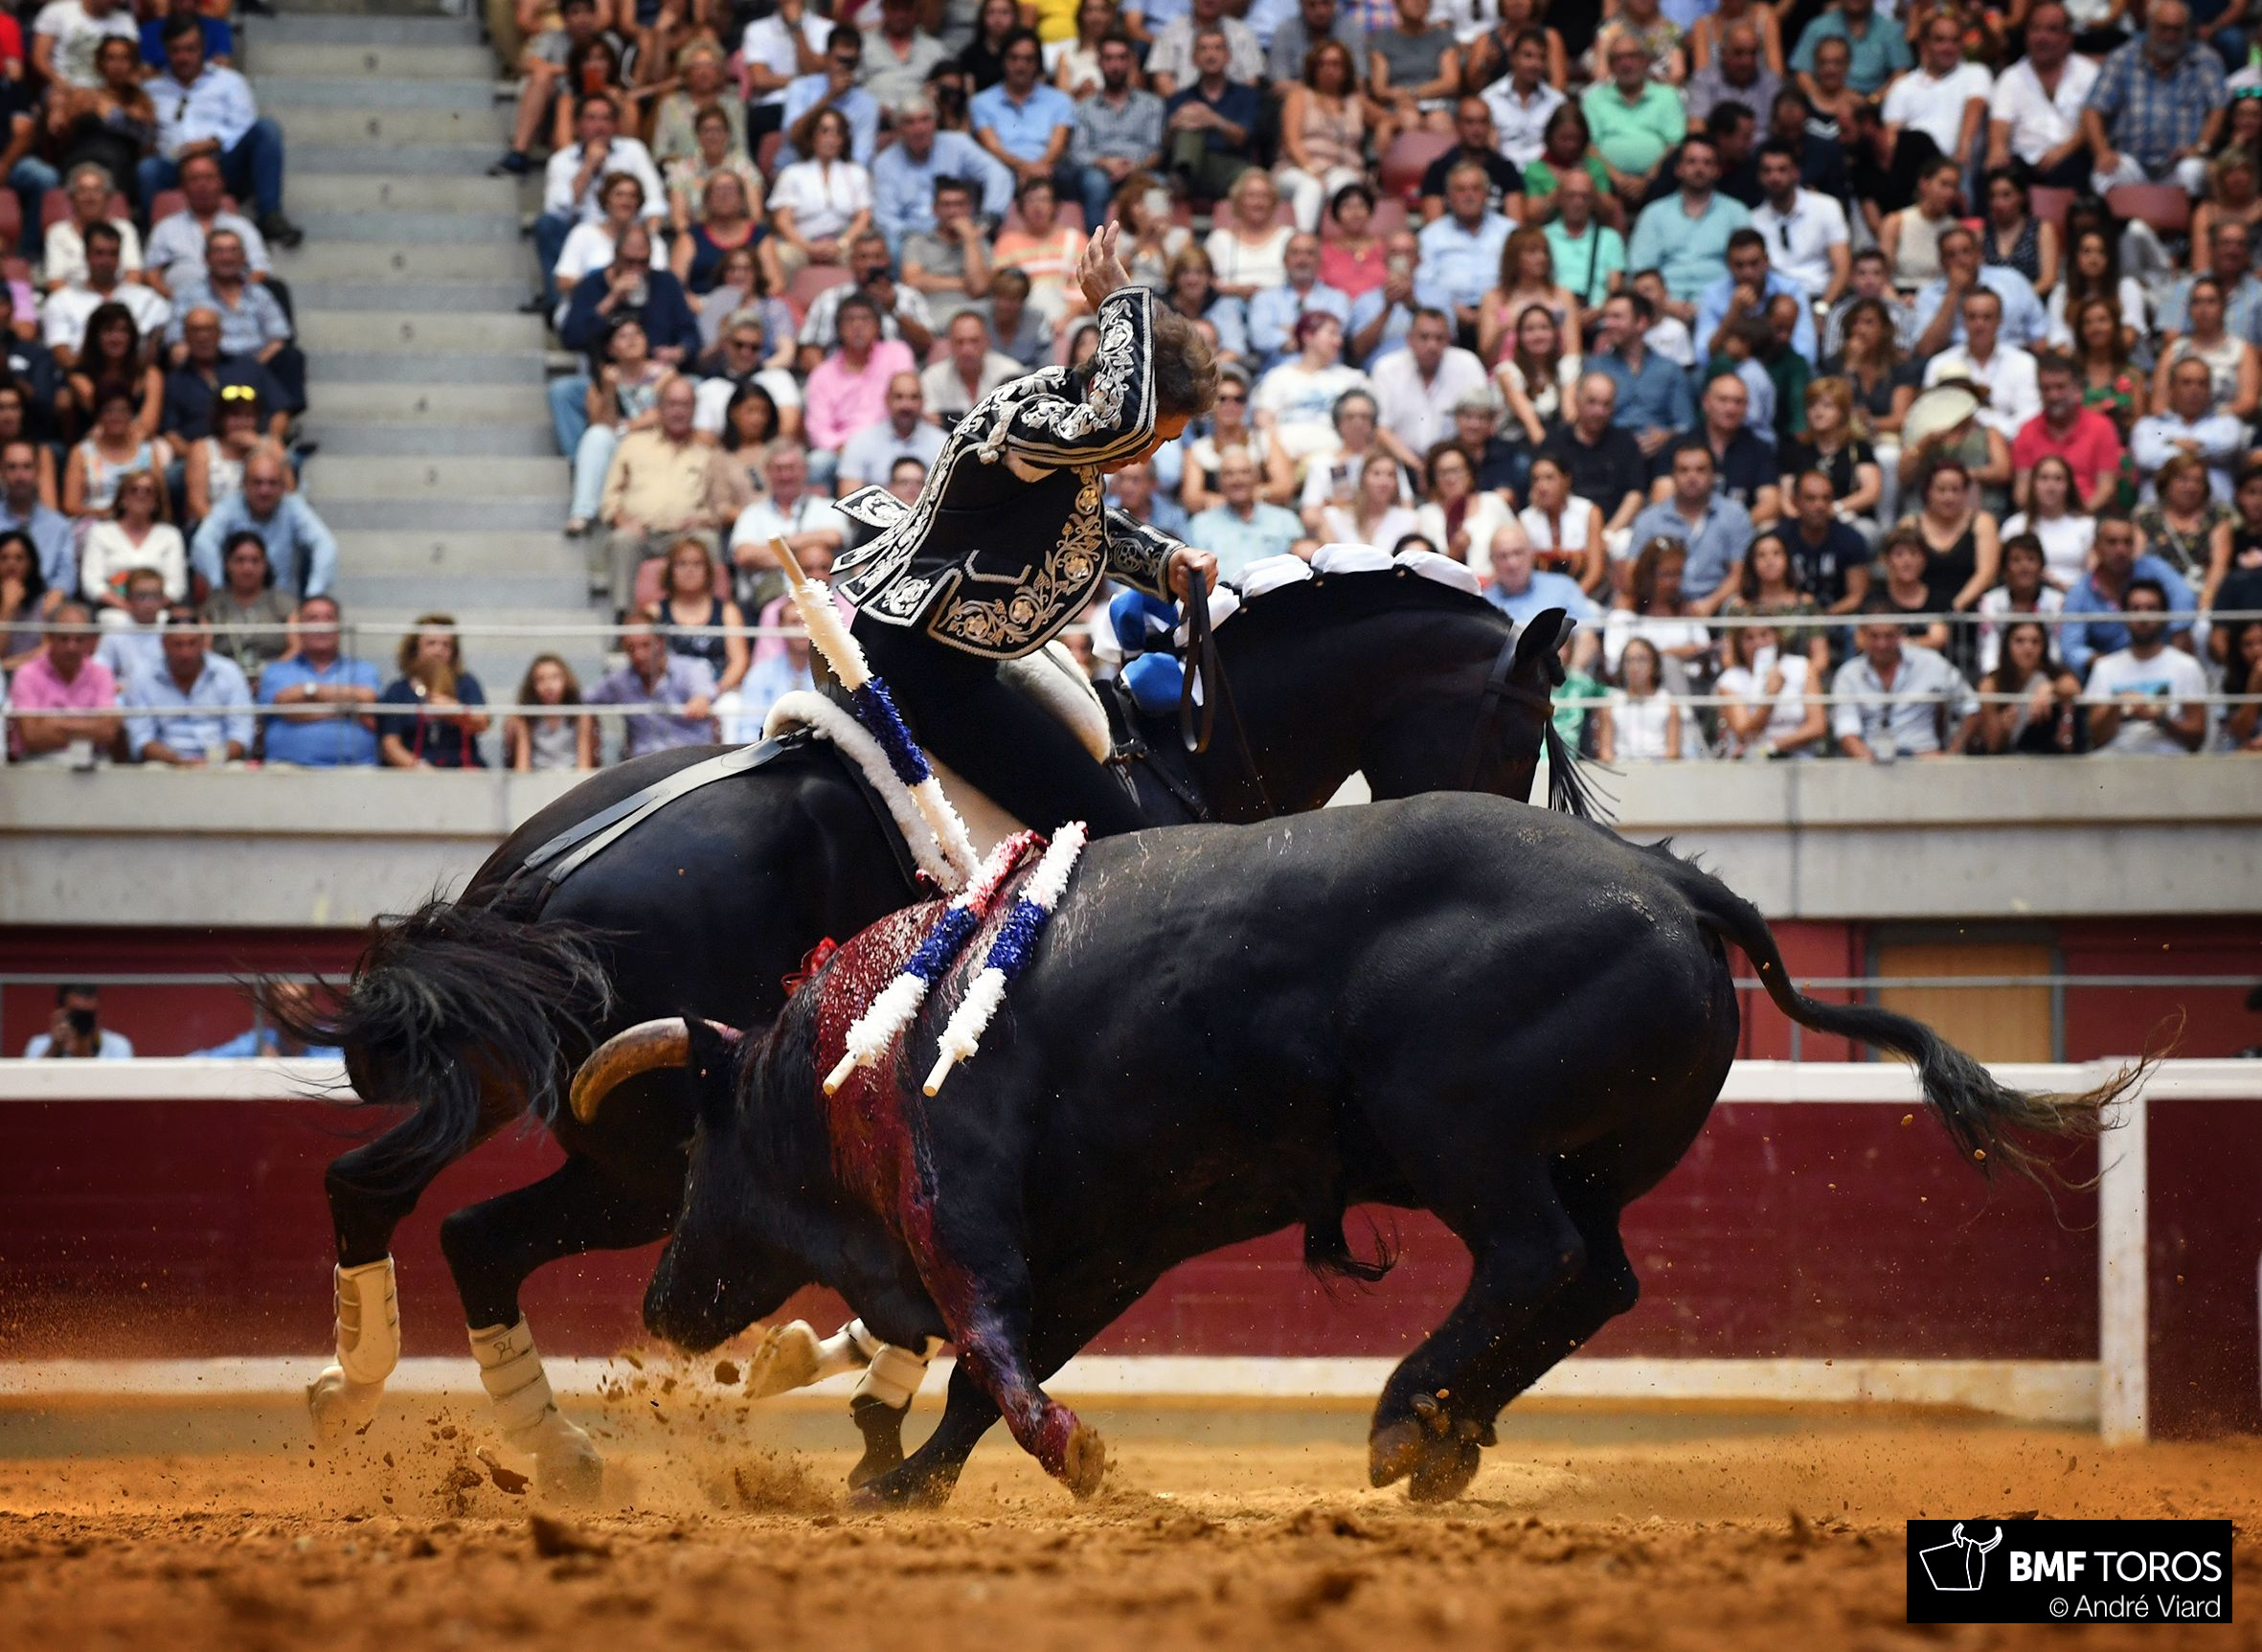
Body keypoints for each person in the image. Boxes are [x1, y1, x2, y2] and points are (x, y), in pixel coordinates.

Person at [826, 229, 1218, 831]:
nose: (1145, 457)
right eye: (1153, 438)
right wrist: (1120, 303)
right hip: (927, 664)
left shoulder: (1060, 423)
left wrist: (1166, 562)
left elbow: (1084, 529)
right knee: (1115, 831)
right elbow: (1116, 424)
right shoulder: (1034, 417)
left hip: (954, 654)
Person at [140, 14, 300, 249]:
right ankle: (155, 234)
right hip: (175, 167)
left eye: (191, 49)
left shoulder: (229, 82)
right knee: (147, 170)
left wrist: (213, 143)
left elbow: (244, 125)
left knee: (266, 129)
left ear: (203, 48)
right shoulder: (151, 90)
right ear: (166, 51)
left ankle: (269, 215)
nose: (183, 57)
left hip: (223, 163)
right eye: (176, 50)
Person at [597, 374, 736, 604]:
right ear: (659, 408)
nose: (678, 411)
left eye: (685, 405)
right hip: (640, 532)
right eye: (672, 404)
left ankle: (713, 621)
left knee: (709, 540)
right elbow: (610, 497)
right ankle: (625, 621)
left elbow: (719, 506)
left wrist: (703, 521)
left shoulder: (707, 452)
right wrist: (623, 522)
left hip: (687, 534)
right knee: (622, 541)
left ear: (694, 409)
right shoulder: (633, 444)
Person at [2083, 1, 2227, 196]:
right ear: (2150, 25)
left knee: (2194, 171)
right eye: (2164, 28)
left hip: (2179, 165)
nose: (2170, 36)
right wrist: (2102, 151)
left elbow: (2219, 108)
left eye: (2177, 29)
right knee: (2105, 173)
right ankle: (2148, 224)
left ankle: (2142, 226)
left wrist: (2201, 147)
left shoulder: (2206, 60)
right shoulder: (2122, 58)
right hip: (2132, 162)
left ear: (2187, 30)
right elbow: (2093, 108)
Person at [2059, 509, 2198, 675]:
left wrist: (2178, 637)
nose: (2121, 550)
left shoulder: (2153, 568)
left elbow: (2185, 598)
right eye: (2112, 542)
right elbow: (2071, 648)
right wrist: (2110, 666)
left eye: (2127, 542)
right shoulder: (2080, 592)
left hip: (2160, 662)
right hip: (2109, 672)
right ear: (2096, 547)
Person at [1625, 133, 1752, 316]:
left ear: (1718, 170)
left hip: (1723, 311)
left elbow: (1748, 269)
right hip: (1662, 311)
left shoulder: (1736, 212)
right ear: (1678, 169)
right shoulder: (1654, 213)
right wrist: (1666, 305)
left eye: (1707, 163)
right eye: (1692, 162)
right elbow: (1640, 272)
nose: (1699, 169)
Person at [1830, 608, 1979, 759]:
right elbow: (1846, 731)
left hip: (1926, 760)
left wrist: (1950, 757)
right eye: (1874, 636)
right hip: (1871, 763)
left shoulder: (1931, 662)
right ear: (1862, 636)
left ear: (1901, 634)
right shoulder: (1848, 674)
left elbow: (1971, 707)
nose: (1882, 644)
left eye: (1889, 636)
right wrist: (1871, 770)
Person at [2083, 578, 2209, 753]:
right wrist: (2117, 705)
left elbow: (2197, 738)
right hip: (2113, 768)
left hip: (2169, 767)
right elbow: (2095, 738)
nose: (2143, 617)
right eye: (2135, 609)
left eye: (2151, 609)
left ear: (2164, 615)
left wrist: (2158, 717)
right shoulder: (2104, 668)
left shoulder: (2187, 666)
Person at [1629, 440, 1754, 616]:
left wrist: (1709, 604)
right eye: (1684, 470)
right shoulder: (1649, 520)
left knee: (1740, 607)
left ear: (1714, 475)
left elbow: (1741, 573)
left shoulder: (1734, 515)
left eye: (1700, 470)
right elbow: (1635, 574)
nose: (1692, 477)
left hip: (1719, 608)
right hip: (1662, 609)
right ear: (1672, 475)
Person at [188, 452, 335, 598]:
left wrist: (314, 595)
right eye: (258, 482)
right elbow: (202, 543)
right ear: (244, 484)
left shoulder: (293, 506)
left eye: (272, 483)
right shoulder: (229, 505)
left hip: (283, 606)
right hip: (236, 604)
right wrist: (218, 586)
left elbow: (325, 544)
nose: (265, 491)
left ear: (283, 487)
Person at [1985, 4, 2097, 188]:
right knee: (1993, 176)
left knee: (2074, 168)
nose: (2041, 37)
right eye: (2035, 29)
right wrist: (1997, 150)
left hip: (2071, 158)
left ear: (2068, 37)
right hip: (2023, 163)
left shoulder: (2088, 73)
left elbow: (2094, 123)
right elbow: (1999, 123)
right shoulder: (2011, 77)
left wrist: (2062, 152)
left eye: (2052, 29)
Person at [121, 604, 248, 765]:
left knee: (237, 768)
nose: (185, 653)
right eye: (178, 644)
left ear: (202, 642)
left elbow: (241, 733)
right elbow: (142, 737)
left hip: (220, 762)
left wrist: (212, 762)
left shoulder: (229, 672)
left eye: (192, 643)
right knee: (153, 768)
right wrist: (178, 762)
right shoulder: (142, 676)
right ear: (164, 643)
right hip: (165, 763)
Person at [728, 444, 848, 613]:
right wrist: (806, 546)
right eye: (778, 469)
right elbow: (744, 555)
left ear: (805, 470)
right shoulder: (751, 514)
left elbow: (834, 537)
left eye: (791, 468)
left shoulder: (827, 507)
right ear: (766, 472)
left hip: (826, 606)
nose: (785, 476)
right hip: (765, 606)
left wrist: (777, 547)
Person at [587, 609, 717, 758]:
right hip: (643, 767)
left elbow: (703, 694)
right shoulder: (620, 681)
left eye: (645, 645)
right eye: (631, 648)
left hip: (690, 761)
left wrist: (700, 700)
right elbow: (582, 701)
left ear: (660, 642)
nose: (638, 655)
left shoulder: (692, 669)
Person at [1539, 372, 1649, 546]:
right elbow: (1540, 490)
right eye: (1592, 402)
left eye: (1606, 404)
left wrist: (1606, 536)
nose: (1599, 411)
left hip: (1613, 533)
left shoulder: (1625, 442)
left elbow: (1635, 494)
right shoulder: (1554, 443)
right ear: (1577, 400)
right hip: (1564, 534)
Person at [5, 599, 119, 764]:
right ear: (49, 637)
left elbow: (108, 731)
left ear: (89, 640)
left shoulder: (101, 673)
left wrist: (53, 723)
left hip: (92, 762)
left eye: (79, 639)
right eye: (64, 638)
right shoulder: (27, 674)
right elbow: (30, 736)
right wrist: (87, 726)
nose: (71, 647)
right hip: (38, 762)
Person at [1070, 34, 1165, 231]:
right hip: (1100, 169)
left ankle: (1155, 249)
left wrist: (1135, 166)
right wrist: (1106, 163)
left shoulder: (1152, 104)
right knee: (1094, 182)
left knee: (1160, 183)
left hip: (1139, 167)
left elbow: (1156, 149)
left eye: (1122, 58)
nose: (1115, 65)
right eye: (1109, 58)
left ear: (1131, 62)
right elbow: (1078, 152)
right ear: (1099, 62)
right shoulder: (1084, 108)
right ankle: (1096, 247)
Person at [1369, 307, 1486, 464]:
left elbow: (1483, 419)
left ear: (1449, 340)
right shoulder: (1386, 368)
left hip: (1456, 464)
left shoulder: (1467, 364)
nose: (1432, 345)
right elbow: (1381, 428)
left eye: (1439, 338)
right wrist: (1418, 467)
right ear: (1409, 339)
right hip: (1400, 463)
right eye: (1424, 337)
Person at [1415, 161, 1514, 348]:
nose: (1469, 196)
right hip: (1449, 317)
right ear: (1448, 196)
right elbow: (1424, 285)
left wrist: (1492, 311)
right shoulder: (1431, 236)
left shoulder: (1509, 232)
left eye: (1476, 189)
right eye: (1461, 190)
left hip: (1502, 316)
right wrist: (1453, 309)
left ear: (1487, 194)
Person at [1277, 39, 1369, 234]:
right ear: (1313, 68)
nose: (1329, 69)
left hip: (1341, 170)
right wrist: (1313, 171)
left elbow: (1389, 119)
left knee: (1348, 187)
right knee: (1312, 187)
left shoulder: (1356, 101)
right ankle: (1303, 244)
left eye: (1336, 64)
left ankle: (1346, 249)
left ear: (1346, 69)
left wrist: (1386, 127)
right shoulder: (1299, 96)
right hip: (1297, 170)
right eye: (1322, 64)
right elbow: (1291, 140)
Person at [376, 615, 488, 770]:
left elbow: (482, 723)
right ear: (416, 648)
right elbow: (390, 745)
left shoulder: (466, 683)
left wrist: (456, 711)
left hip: (461, 773)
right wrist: (421, 769)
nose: (438, 651)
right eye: (431, 644)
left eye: (446, 645)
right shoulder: (398, 690)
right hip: (412, 776)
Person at [2130, 355, 2248, 501]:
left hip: (2217, 516)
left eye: (2202, 383)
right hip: (2156, 518)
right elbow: (2146, 458)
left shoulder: (2227, 423)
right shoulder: (2150, 426)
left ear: (2210, 389)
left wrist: (2170, 444)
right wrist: (2202, 449)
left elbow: (2227, 446)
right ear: (2171, 388)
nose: (2194, 389)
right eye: (2186, 383)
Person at [1748, 140, 1849, 306]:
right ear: (1759, 176)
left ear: (1796, 172)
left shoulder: (1827, 207)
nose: (1775, 177)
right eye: (1767, 171)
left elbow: (1842, 268)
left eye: (1782, 170)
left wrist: (1822, 309)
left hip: (1823, 297)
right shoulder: (1753, 220)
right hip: (1775, 305)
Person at [1758, 469, 1872, 615]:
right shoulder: (1779, 538)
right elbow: (1765, 592)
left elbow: (1856, 597)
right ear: (1795, 501)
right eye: (1810, 499)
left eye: (1826, 498)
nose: (1819, 505)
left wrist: (1818, 621)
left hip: (1836, 619)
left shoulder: (1851, 539)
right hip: (1787, 619)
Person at [2152, 277, 2262, 424]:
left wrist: (2208, 422)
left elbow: (2248, 402)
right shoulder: (2173, 351)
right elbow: (2158, 405)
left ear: (2223, 306)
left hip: (2228, 429)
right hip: (2179, 428)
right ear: (2189, 308)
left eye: (2211, 301)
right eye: (2197, 302)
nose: (2204, 309)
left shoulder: (2243, 350)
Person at [652, 534, 749, 699]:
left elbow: (739, 662)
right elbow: (650, 661)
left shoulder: (728, 612)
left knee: (732, 704)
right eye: (681, 564)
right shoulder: (655, 612)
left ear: (708, 571)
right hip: (670, 693)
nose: (690, 570)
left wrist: (712, 693)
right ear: (670, 571)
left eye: (697, 564)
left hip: (719, 692)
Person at [1188, 442, 1306, 573]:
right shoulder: (1200, 525)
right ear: (1219, 482)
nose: (1237, 480)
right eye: (1229, 474)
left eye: (1245, 472)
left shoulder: (1285, 520)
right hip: (1223, 592)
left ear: (1257, 478)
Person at [1976, 618, 2086, 754]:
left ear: (2044, 646)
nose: (2028, 648)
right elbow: (1991, 745)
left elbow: (2074, 688)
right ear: (2006, 645)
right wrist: (2003, 728)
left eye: (2035, 641)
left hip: (2047, 758)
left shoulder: (2053, 674)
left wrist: (2050, 688)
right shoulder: (1991, 683)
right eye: (2019, 641)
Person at [198, 529, 290, 686]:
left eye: (255, 561)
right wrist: (232, 679)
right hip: (223, 681)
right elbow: (204, 651)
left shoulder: (284, 602)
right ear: (227, 564)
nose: (248, 568)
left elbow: (296, 648)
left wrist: (268, 677)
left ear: (265, 565)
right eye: (240, 560)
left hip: (275, 681)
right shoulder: (213, 606)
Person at [1414, 439, 1518, 573]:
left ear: (1470, 472)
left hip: (1496, 587)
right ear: (1434, 478)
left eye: (1456, 470)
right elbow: (1424, 569)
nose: (1451, 479)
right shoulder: (1426, 515)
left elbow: (1518, 544)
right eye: (1443, 473)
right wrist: (1452, 555)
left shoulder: (1493, 502)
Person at [1975, 534, 2071, 675]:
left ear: (2041, 567)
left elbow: (2056, 649)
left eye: (2031, 559)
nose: (2024, 567)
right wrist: (1993, 677)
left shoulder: (2057, 602)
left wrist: (2046, 677)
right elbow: (1989, 648)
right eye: (2016, 560)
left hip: (2046, 674)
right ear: (2005, 569)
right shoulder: (1990, 602)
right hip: (2002, 675)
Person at [2001, 454, 2098, 590]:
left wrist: (2065, 589)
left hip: (2076, 603)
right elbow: (2004, 573)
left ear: (2068, 485)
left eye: (2058, 479)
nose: (2051, 486)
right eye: (2043, 478)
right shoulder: (2015, 525)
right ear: (2033, 484)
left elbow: (2094, 576)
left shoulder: (2086, 525)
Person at [1513, 453, 1607, 593]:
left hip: (1585, 593)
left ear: (1566, 480)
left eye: (1549, 478)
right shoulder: (1525, 519)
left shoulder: (1589, 512)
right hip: (1540, 595)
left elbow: (1595, 572)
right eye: (1536, 479)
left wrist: (1570, 600)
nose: (1542, 486)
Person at [840, 372, 947, 491]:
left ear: (923, 401)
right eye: (899, 397)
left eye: (913, 397)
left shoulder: (943, 445)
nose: (906, 405)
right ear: (887, 400)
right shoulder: (861, 443)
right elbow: (849, 499)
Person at [2136, 452, 2235, 579]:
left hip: (2202, 592)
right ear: (2166, 482)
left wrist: (2207, 598)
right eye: (2183, 479)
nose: (2191, 487)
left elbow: (2219, 566)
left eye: (2198, 481)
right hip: (2154, 590)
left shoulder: (2218, 517)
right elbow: (2137, 560)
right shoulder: (2145, 518)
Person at [191, 982, 345, 1061]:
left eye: (300, 1001)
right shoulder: (258, 1043)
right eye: (285, 1003)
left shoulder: (332, 1040)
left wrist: (279, 1071)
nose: (294, 1010)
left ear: (312, 1005)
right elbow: (200, 1061)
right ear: (272, 1012)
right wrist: (257, 1069)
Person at [1789, 0, 1911, 102]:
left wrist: (1872, 101)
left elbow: (1901, 74)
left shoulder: (1891, 30)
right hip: (1825, 103)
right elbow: (1802, 73)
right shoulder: (1817, 27)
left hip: (1874, 108)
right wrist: (1824, 102)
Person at [504, 653, 597, 771]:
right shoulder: (524, 717)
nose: (549, 686)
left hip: (572, 781)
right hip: (536, 781)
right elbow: (522, 767)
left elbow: (584, 767)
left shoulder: (581, 716)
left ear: (566, 680)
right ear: (533, 685)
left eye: (555, 678)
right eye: (540, 679)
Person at [1321, 449, 1422, 550]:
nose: (1384, 482)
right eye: (1376, 474)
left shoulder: (1409, 521)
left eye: (1390, 475)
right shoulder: (1334, 517)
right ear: (1363, 478)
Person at [23, 984, 134, 1058]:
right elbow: (30, 1085)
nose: (83, 1020)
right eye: (77, 1014)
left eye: (88, 1015)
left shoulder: (118, 1045)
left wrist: (85, 1049)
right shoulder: (39, 1045)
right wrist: (55, 1047)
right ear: (61, 1013)